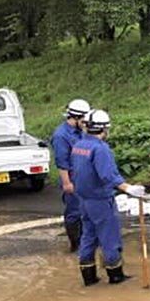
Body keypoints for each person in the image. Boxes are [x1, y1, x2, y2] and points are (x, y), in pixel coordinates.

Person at [71, 110, 145, 286]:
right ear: (104, 128)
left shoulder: (79, 146)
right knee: (109, 237)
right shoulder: (100, 149)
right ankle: (115, 276)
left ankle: (89, 278)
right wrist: (128, 188)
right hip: (100, 200)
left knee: (88, 236)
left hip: (83, 199)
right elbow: (108, 176)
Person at [51, 98, 91, 252]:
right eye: (84, 120)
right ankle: (75, 244)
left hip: (84, 176)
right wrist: (67, 183)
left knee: (86, 210)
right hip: (72, 177)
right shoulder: (61, 136)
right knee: (74, 211)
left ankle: (86, 241)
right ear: (75, 118)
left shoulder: (81, 131)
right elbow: (62, 162)